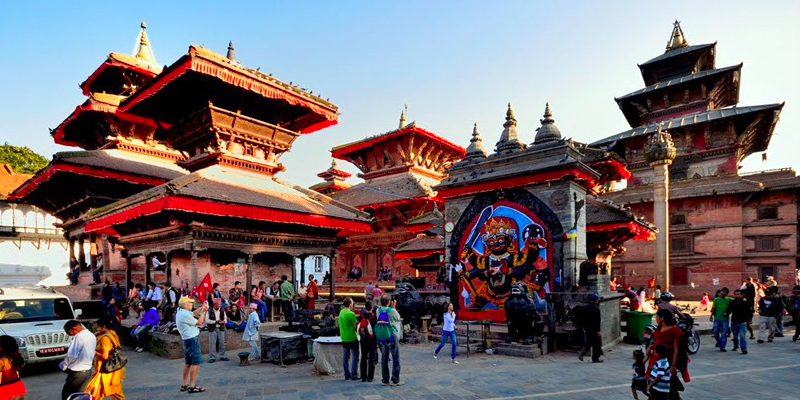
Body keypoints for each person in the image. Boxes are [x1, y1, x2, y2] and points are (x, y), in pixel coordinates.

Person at [647, 309, 690, 398]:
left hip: (668, 360)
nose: (656, 319)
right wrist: (650, 348)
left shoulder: (674, 330)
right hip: (656, 358)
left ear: (662, 318)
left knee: (667, 383)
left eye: (657, 317)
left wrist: (673, 365)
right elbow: (656, 340)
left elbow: (676, 349)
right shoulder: (659, 327)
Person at [85, 317, 125, 400]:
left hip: (104, 369)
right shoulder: (112, 333)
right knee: (115, 391)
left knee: (95, 390)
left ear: (103, 326)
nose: (97, 329)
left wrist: (94, 351)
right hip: (113, 369)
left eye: (98, 327)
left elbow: (105, 356)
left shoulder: (105, 339)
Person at [175, 296, 207, 393]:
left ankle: (184, 384)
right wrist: (204, 312)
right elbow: (199, 322)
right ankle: (192, 385)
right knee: (195, 362)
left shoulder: (181, 312)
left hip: (187, 339)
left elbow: (193, 313)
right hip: (192, 339)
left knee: (188, 362)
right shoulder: (184, 314)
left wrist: (202, 308)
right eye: (190, 303)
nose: (192, 304)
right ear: (185, 305)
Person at [60, 320, 97, 400]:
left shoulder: (79, 336)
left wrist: (64, 366)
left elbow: (71, 355)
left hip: (77, 372)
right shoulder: (91, 335)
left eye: (69, 333)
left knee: (68, 395)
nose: (71, 335)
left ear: (74, 329)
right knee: (80, 395)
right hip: (88, 371)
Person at [376, 294, 403, 386]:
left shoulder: (378, 310)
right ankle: (395, 379)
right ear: (389, 302)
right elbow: (398, 318)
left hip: (382, 336)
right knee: (395, 358)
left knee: (384, 358)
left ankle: (385, 379)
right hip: (392, 335)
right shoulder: (392, 311)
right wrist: (394, 307)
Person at [339, 297, 359, 381]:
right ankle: (354, 374)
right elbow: (355, 326)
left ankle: (346, 374)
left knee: (345, 357)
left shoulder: (341, 312)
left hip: (344, 337)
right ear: (350, 304)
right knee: (355, 356)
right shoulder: (351, 314)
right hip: (352, 337)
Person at [578, 293, 603, 363]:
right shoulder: (596, 309)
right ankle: (595, 358)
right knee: (596, 344)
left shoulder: (585, 307)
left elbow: (582, 318)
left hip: (587, 328)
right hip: (594, 328)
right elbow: (598, 320)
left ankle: (583, 352)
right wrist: (598, 330)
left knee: (589, 342)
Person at [0, 335, 26, 400]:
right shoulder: (15, 359)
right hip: (19, 390)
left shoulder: (2, 362)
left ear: (1, 348)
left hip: (5, 394)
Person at [357, 301, 377, 382]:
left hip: (363, 339)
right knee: (372, 358)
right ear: (372, 308)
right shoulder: (374, 317)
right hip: (372, 339)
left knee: (364, 357)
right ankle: (370, 377)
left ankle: (363, 376)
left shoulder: (361, 316)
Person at [729, 289, 751, 354]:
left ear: (741, 295)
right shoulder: (732, 302)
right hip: (734, 321)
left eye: (738, 294)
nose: (737, 295)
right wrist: (725, 314)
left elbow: (749, 312)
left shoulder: (745, 302)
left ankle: (744, 348)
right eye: (735, 294)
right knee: (735, 336)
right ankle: (736, 345)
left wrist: (749, 320)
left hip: (743, 321)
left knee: (742, 335)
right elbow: (729, 310)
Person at [710, 287, 732, 351]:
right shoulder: (716, 299)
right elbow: (713, 308)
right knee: (715, 332)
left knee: (724, 333)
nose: (723, 293)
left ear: (727, 293)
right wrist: (711, 316)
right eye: (722, 291)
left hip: (725, 319)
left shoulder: (729, 299)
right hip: (717, 318)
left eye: (725, 292)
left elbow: (735, 301)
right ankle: (718, 341)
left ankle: (722, 346)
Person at [206, 298, 228, 363]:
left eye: (220, 304)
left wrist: (223, 322)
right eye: (218, 304)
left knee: (222, 342)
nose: (220, 306)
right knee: (212, 343)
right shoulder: (209, 311)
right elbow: (206, 320)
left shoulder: (222, 310)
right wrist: (215, 322)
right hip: (213, 328)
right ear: (214, 304)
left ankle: (223, 356)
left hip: (221, 328)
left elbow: (225, 319)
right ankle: (212, 357)